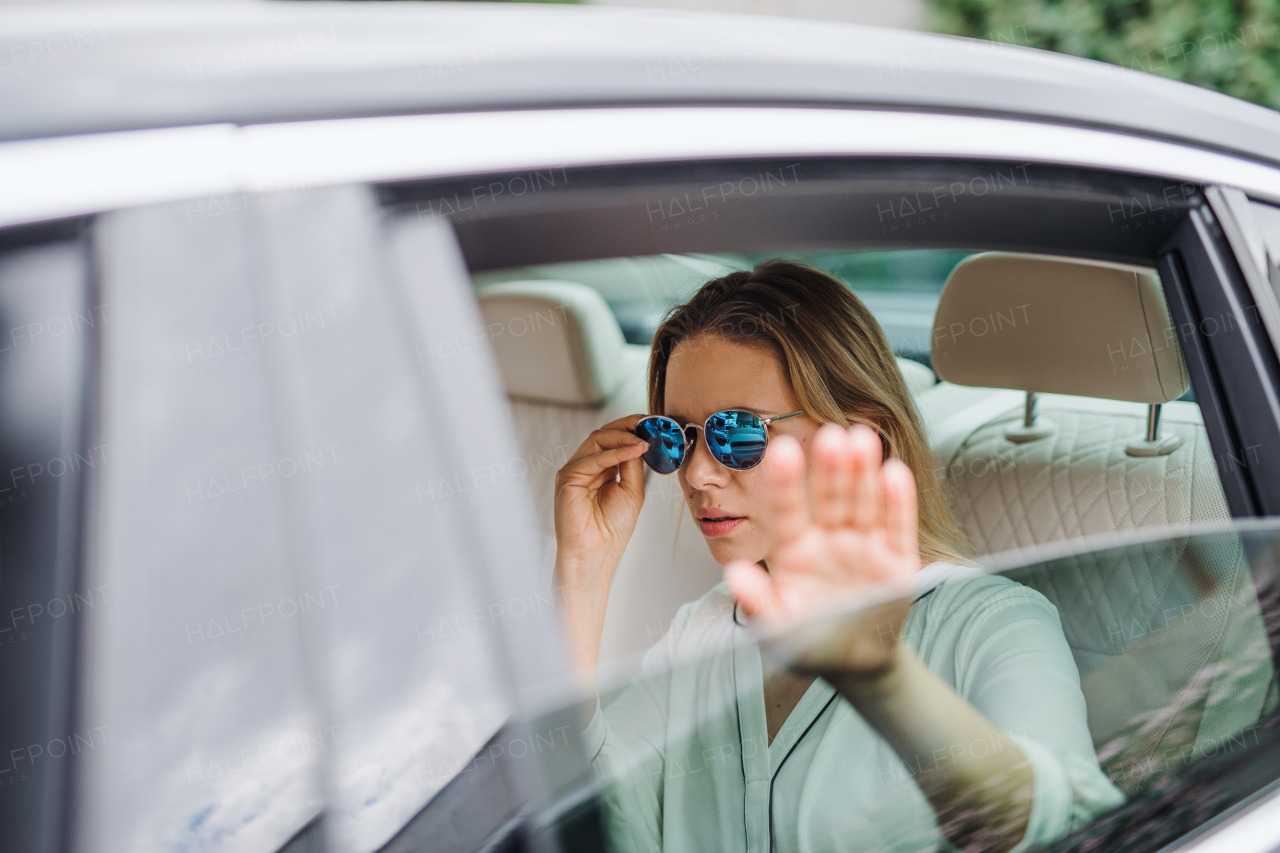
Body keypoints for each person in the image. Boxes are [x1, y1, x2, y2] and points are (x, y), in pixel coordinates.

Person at [552, 260, 1122, 853]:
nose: (697, 474)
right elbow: (592, 817)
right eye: (677, 436)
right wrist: (582, 570)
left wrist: (882, 680)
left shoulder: (989, 622)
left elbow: (1068, 830)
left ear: (856, 434)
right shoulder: (704, 629)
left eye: (738, 434)